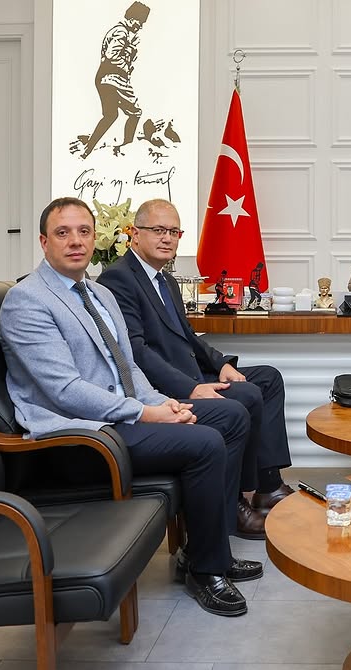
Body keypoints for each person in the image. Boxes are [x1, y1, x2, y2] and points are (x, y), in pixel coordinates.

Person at [0, 197, 263, 618]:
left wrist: (164, 402)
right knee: (207, 442)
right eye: (63, 233)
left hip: (119, 415)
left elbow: (128, 366)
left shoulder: (98, 293)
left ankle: (206, 548)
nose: (75, 242)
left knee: (232, 414)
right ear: (43, 242)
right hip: (82, 434)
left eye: (84, 231)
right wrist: (144, 413)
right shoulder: (27, 301)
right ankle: (205, 571)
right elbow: (64, 390)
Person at [98, 199, 293, 541]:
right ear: (134, 235)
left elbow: (188, 336)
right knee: (246, 394)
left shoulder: (166, 280)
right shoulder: (119, 279)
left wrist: (221, 365)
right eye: (158, 230)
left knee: (267, 378)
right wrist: (190, 388)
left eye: (173, 232)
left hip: (190, 372)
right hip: (161, 386)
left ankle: (267, 484)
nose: (167, 238)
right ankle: (233, 502)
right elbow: (136, 351)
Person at [80, 2, 150, 158]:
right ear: (132, 18)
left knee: (110, 116)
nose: (140, 27)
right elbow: (112, 57)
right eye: (140, 22)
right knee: (135, 112)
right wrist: (131, 50)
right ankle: (127, 148)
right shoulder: (121, 32)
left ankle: (88, 149)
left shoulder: (119, 32)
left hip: (103, 79)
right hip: (114, 78)